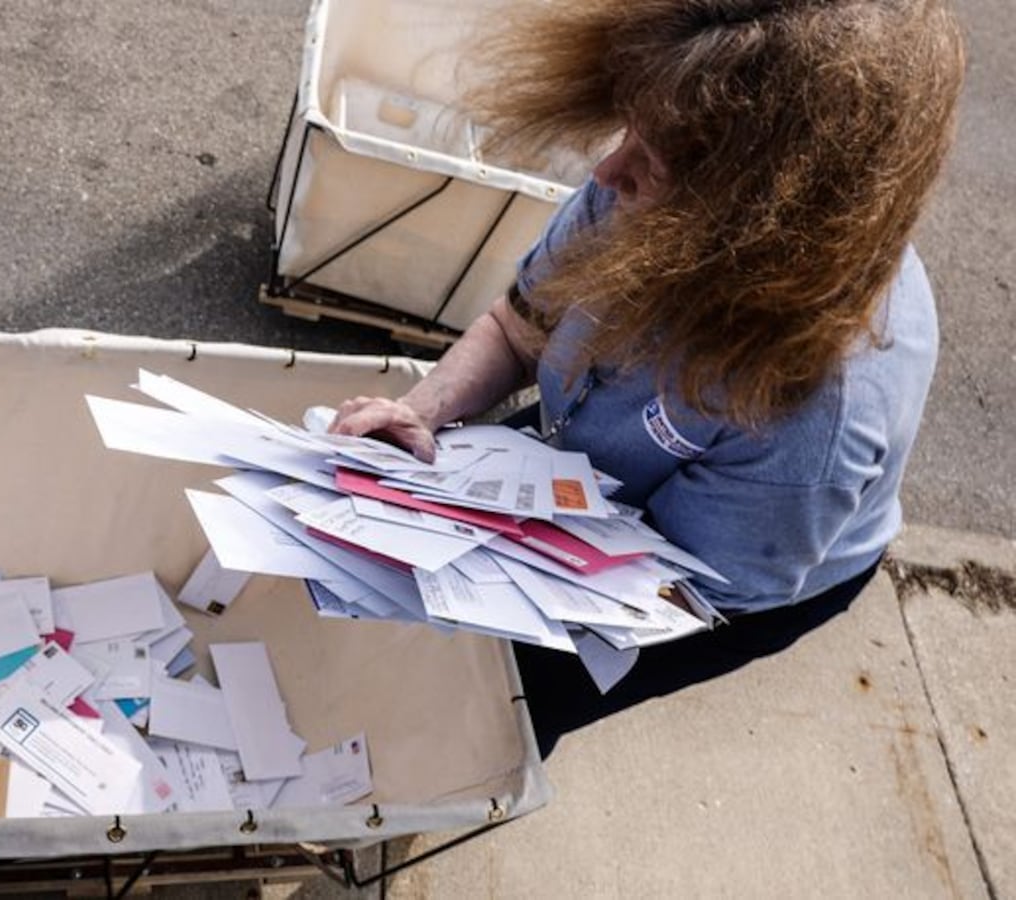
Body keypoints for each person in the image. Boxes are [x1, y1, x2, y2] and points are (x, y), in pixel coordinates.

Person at [328, 0, 965, 749]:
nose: (606, 172)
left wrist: (496, 582)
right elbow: (518, 325)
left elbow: (685, 589)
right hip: (584, 465)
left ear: (754, 219)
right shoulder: (661, 183)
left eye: (650, 162)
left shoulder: (813, 412)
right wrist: (425, 411)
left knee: (515, 698)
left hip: (715, 570)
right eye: (630, 129)